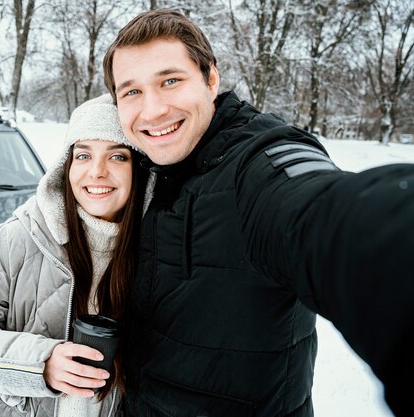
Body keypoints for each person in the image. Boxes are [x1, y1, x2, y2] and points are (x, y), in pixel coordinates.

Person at [102, 8, 414, 417]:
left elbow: (329, 216)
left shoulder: (259, 164)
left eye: (171, 81)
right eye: (132, 92)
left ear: (211, 79)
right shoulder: (145, 173)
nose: (153, 109)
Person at [0, 94, 152, 417]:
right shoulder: (21, 236)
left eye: (117, 157)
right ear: (65, 166)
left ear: (138, 170)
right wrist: (42, 365)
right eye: (83, 155)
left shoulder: (155, 252)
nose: (97, 171)